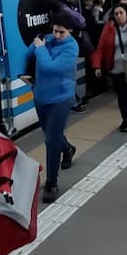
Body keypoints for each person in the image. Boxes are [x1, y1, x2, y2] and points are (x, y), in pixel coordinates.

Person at [25, 14, 80, 203]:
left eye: (61, 32)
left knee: (50, 141)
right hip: (41, 96)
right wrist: (24, 69)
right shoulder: (47, 39)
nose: (56, 35)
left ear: (70, 31)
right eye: (54, 30)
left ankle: (51, 182)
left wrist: (40, 49)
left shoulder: (71, 48)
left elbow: (50, 68)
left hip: (61, 98)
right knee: (51, 134)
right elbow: (27, 54)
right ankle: (68, 148)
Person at [91, 3, 127, 133]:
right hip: (115, 68)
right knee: (121, 96)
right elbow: (100, 48)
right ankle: (125, 120)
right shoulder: (108, 28)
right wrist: (97, 66)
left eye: (121, 13)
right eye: (116, 14)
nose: (119, 16)